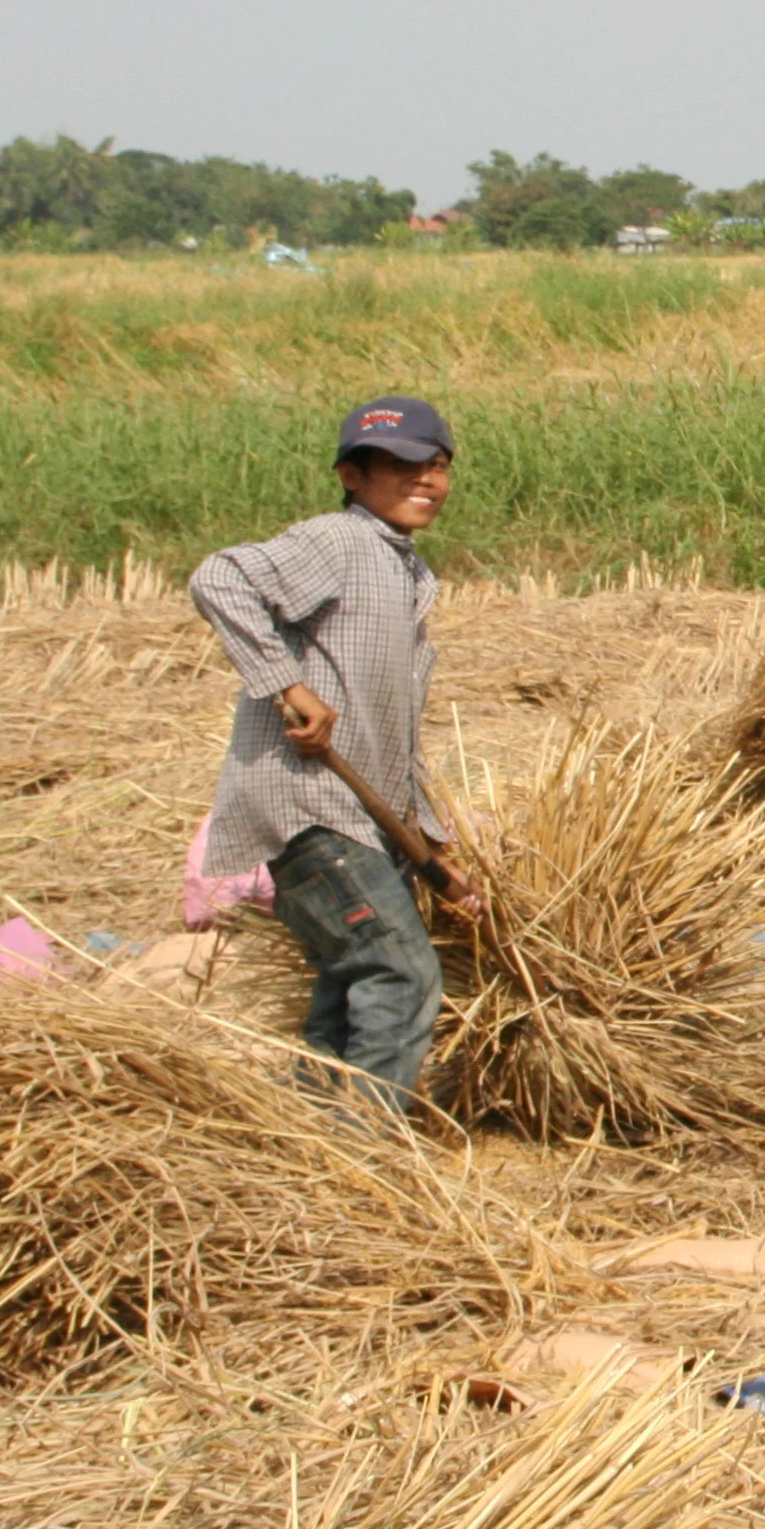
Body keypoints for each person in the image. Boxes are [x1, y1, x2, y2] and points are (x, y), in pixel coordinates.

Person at [190, 395, 470, 1118]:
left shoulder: (405, 570)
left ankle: (305, 1136)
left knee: (346, 986)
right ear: (352, 475)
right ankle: (363, 1155)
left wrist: (432, 847)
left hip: (354, 816)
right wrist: (287, 685)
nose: (427, 482)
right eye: (403, 467)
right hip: (311, 806)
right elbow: (220, 578)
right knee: (400, 975)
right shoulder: (340, 542)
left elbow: (390, 740)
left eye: (436, 466)